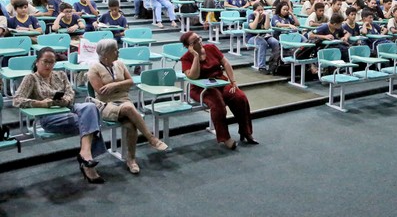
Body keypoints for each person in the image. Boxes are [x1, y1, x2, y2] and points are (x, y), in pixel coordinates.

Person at [13, 48, 106, 183]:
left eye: (52, 62)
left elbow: (70, 94)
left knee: (90, 107)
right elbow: (17, 100)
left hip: (67, 109)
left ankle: (85, 154)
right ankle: (87, 164)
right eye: (45, 62)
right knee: (91, 120)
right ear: (37, 62)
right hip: (49, 117)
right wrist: (40, 103)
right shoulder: (31, 78)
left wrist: (65, 100)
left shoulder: (60, 75)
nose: (48, 65)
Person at [88, 39, 168, 174]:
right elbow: (102, 92)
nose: (118, 52)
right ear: (106, 53)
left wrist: (115, 85)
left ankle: (131, 159)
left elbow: (130, 82)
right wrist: (122, 85)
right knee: (129, 108)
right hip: (105, 105)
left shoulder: (120, 64)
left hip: (123, 99)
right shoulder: (93, 69)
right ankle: (151, 138)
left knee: (131, 125)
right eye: (115, 50)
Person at [180, 31, 257, 149]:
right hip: (200, 88)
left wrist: (233, 82)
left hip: (220, 81)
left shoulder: (211, 48)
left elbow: (225, 63)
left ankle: (246, 132)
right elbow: (193, 76)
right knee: (218, 104)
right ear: (188, 46)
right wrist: (195, 56)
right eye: (194, 41)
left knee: (240, 97)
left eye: (199, 38)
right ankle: (225, 137)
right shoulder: (186, 58)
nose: (199, 42)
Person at [246, 4, 279, 73]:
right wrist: (257, 16)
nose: (261, 12)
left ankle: (274, 63)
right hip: (252, 38)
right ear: (254, 11)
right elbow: (253, 27)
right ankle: (261, 66)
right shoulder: (251, 16)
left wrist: (267, 16)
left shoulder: (264, 16)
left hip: (263, 36)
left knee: (275, 42)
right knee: (263, 43)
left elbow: (266, 28)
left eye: (262, 10)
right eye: (258, 10)